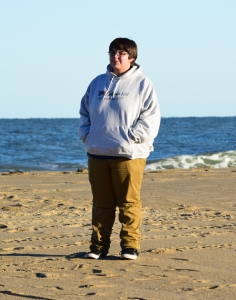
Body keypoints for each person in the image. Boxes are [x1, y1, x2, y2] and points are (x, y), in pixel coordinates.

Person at [78, 37, 161, 260]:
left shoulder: (143, 83)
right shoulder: (97, 83)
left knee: (128, 202)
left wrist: (132, 137)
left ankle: (129, 247)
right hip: (97, 151)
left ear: (132, 58)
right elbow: (84, 111)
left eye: (121, 53)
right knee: (101, 204)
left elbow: (151, 117)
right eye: (113, 52)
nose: (116, 56)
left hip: (129, 154)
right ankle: (98, 247)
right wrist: (87, 135)